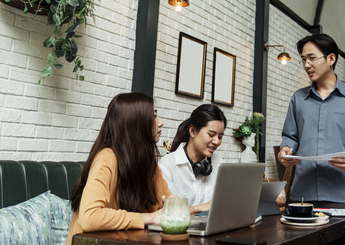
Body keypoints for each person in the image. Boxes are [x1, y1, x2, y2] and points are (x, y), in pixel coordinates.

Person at [277, 33, 345, 245]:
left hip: (342, 196)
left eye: (312, 58)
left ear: (331, 58)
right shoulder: (298, 98)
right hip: (302, 197)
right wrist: (285, 151)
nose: (307, 64)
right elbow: (290, 136)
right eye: (303, 59)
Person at [66, 92, 170, 245]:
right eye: (154, 116)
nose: (161, 122)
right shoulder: (107, 158)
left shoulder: (148, 164)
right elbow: (90, 217)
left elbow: (166, 203)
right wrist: (150, 218)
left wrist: (176, 206)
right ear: (136, 123)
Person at [158, 104, 226, 214]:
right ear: (193, 131)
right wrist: (198, 208)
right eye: (211, 134)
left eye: (220, 137)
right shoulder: (167, 164)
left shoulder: (220, 164)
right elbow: (166, 212)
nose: (217, 141)